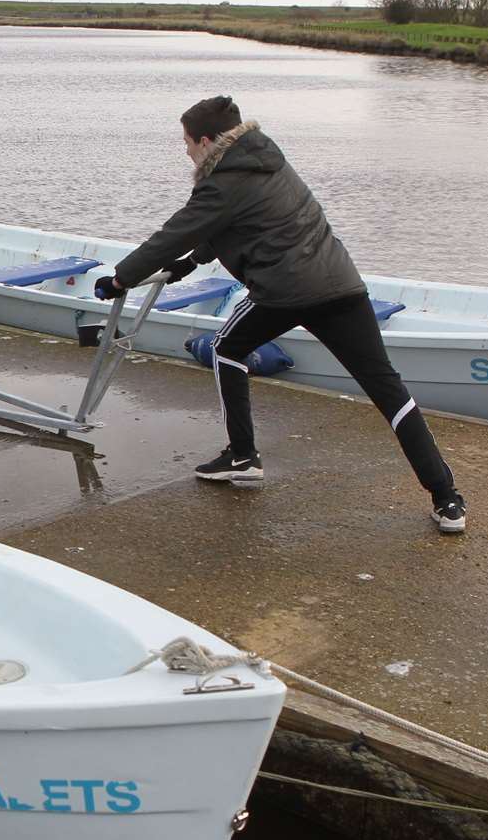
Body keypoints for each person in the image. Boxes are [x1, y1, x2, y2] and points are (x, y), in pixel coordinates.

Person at [95, 96, 467, 534]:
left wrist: (120, 279)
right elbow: (241, 220)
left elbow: (174, 233)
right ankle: (447, 499)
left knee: (226, 348)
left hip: (285, 292)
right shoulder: (269, 162)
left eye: (187, 142)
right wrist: (192, 262)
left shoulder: (221, 183)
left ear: (207, 140)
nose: (186, 151)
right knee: (388, 389)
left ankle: (242, 457)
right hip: (341, 286)